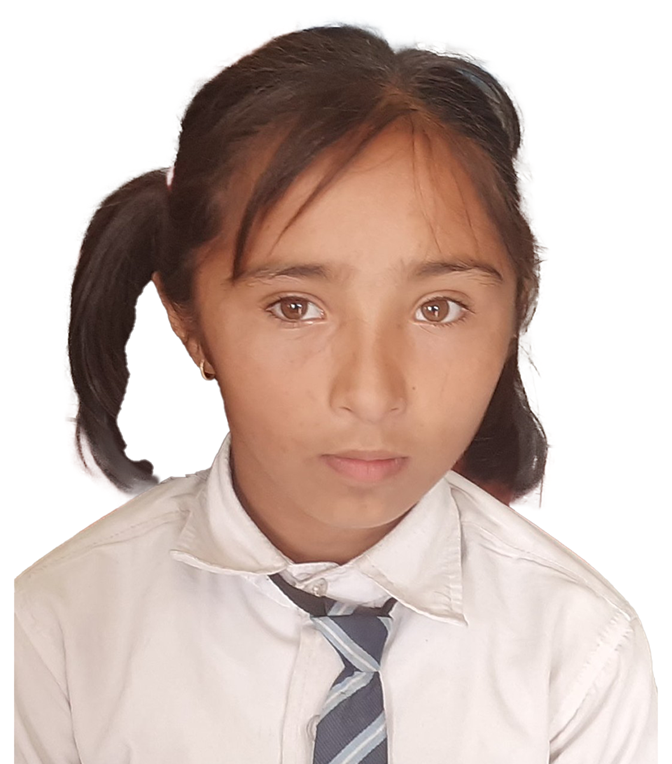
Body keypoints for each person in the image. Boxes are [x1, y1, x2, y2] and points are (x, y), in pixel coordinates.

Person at [14, 23, 656, 763]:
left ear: (516, 313)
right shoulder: (54, 638)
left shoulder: (580, 657)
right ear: (189, 323)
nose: (372, 394)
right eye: (295, 307)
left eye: (438, 308)